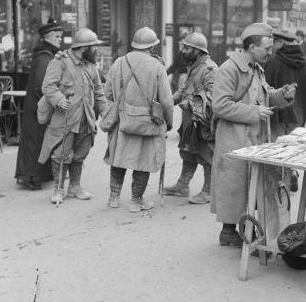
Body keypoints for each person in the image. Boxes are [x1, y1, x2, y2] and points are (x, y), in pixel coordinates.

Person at [210, 22, 296, 247]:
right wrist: (253, 112)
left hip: (254, 139)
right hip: (234, 139)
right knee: (235, 185)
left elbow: (264, 98)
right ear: (251, 47)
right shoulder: (228, 69)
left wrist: (282, 95)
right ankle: (229, 232)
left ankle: (240, 229)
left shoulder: (257, 68)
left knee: (249, 185)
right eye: (266, 48)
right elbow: (220, 106)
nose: (271, 52)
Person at [104, 27, 174, 212]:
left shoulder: (119, 62)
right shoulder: (157, 66)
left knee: (119, 159)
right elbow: (167, 101)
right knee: (143, 162)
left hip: (122, 120)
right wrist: (168, 122)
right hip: (148, 123)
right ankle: (136, 201)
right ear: (152, 46)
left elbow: (108, 93)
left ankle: (113, 198)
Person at [38, 28, 108, 204]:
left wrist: (105, 113)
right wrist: (59, 99)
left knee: (80, 154)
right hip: (65, 118)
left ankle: (75, 187)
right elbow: (48, 86)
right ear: (84, 47)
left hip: (86, 117)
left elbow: (99, 92)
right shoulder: (60, 62)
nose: (97, 50)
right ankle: (58, 189)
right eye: (95, 47)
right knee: (61, 155)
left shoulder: (90, 66)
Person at [163, 31, 218, 204]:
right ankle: (182, 186)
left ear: (199, 51)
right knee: (188, 153)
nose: (183, 51)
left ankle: (208, 191)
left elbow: (212, 96)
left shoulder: (210, 69)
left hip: (203, 122)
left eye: (187, 48)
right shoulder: (194, 66)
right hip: (189, 122)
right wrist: (170, 100)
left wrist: (190, 104)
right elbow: (186, 88)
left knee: (206, 156)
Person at [265, 29, 306, 192]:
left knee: (277, 148)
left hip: (278, 113)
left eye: (275, 42)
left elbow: (266, 87)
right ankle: (292, 172)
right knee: (292, 146)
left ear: (281, 43)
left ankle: (281, 180)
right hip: (299, 115)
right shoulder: (305, 62)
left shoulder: (273, 62)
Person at [15, 19, 63, 190]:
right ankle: (31, 177)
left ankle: (39, 174)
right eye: (57, 36)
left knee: (38, 141)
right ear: (48, 37)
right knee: (36, 142)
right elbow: (42, 85)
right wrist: (52, 103)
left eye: (60, 36)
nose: (60, 39)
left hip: (37, 106)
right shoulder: (45, 57)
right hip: (38, 107)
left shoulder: (46, 55)